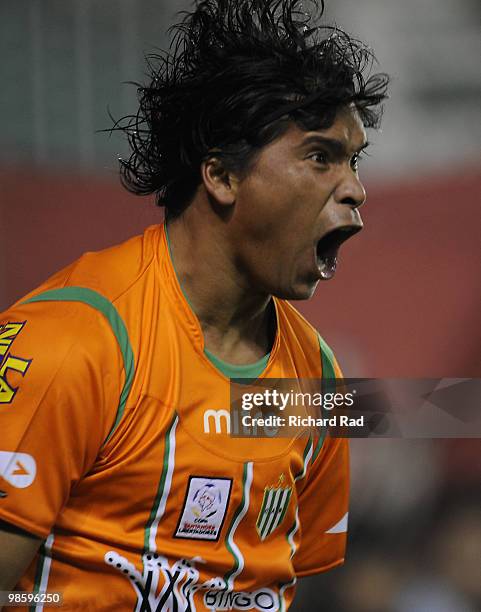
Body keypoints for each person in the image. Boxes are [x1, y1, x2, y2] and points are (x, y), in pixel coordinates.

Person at [0, 0, 388, 609]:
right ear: (222, 177)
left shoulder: (319, 378)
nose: (356, 188)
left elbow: (281, 583)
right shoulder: (69, 341)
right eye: (320, 156)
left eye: (354, 160)